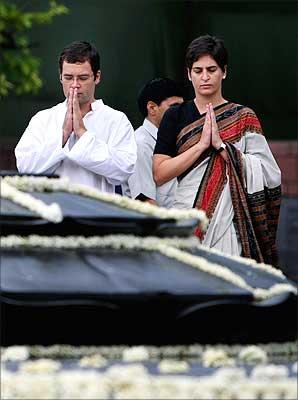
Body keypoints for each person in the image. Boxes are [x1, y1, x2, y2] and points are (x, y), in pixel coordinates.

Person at [153, 35, 281, 266]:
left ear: (224, 72)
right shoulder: (175, 115)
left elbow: (270, 174)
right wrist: (201, 145)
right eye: (198, 70)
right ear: (188, 73)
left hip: (231, 222)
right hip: (188, 217)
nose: (205, 77)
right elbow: (160, 173)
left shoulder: (243, 117)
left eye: (211, 69)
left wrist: (223, 147)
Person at [15, 41, 137, 193]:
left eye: (83, 78)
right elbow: (25, 167)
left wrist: (82, 134)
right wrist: (63, 135)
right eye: (68, 77)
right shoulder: (43, 118)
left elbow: (124, 171)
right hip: (51, 211)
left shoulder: (116, 120)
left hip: (96, 211)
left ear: (97, 77)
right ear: (60, 77)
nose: (74, 85)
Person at [122, 78, 183, 207]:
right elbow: (145, 203)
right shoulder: (140, 144)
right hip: (165, 225)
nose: (181, 113)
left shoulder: (177, 137)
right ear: (152, 108)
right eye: (175, 107)